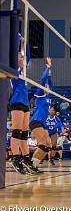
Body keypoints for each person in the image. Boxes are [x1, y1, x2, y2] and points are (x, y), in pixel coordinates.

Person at [9, 34, 35, 174]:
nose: (22, 58)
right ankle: (15, 157)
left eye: (22, 57)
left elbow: (28, 57)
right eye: (19, 57)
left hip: (25, 104)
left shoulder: (23, 71)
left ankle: (26, 159)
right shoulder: (14, 71)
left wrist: (25, 44)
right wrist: (19, 41)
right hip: (17, 101)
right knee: (17, 130)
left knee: (24, 133)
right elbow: (13, 54)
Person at [29, 57, 53, 173]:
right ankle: (31, 165)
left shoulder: (48, 97)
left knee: (48, 145)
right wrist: (47, 67)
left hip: (42, 124)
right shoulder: (39, 94)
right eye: (46, 86)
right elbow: (43, 79)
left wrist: (50, 72)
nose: (48, 87)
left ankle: (35, 165)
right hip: (36, 121)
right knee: (42, 143)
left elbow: (49, 81)